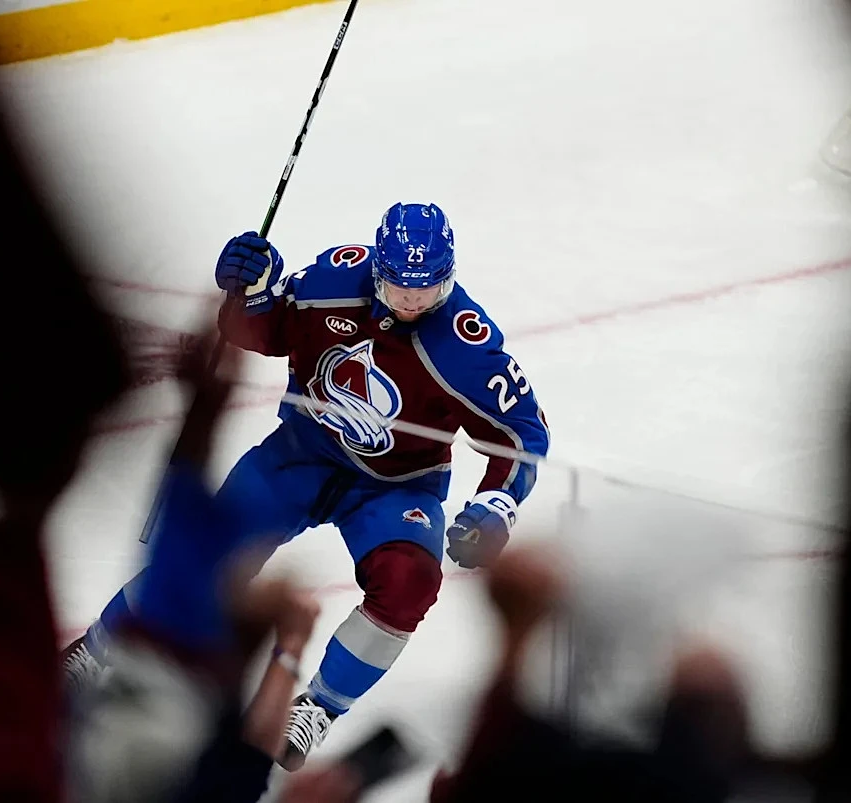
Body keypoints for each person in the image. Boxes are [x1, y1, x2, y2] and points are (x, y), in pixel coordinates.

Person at [62, 202, 551, 770]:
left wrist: (497, 502)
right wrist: (251, 291)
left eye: (430, 287)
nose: (414, 301)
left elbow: (523, 434)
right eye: (401, 287)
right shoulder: (332, 282)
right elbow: (261, 330)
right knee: (205, 548)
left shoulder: (468, 346)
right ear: (377, 270)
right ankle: (99, 647)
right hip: (300, 455)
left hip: (397, 487)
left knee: (411, 581)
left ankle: (319, 706)